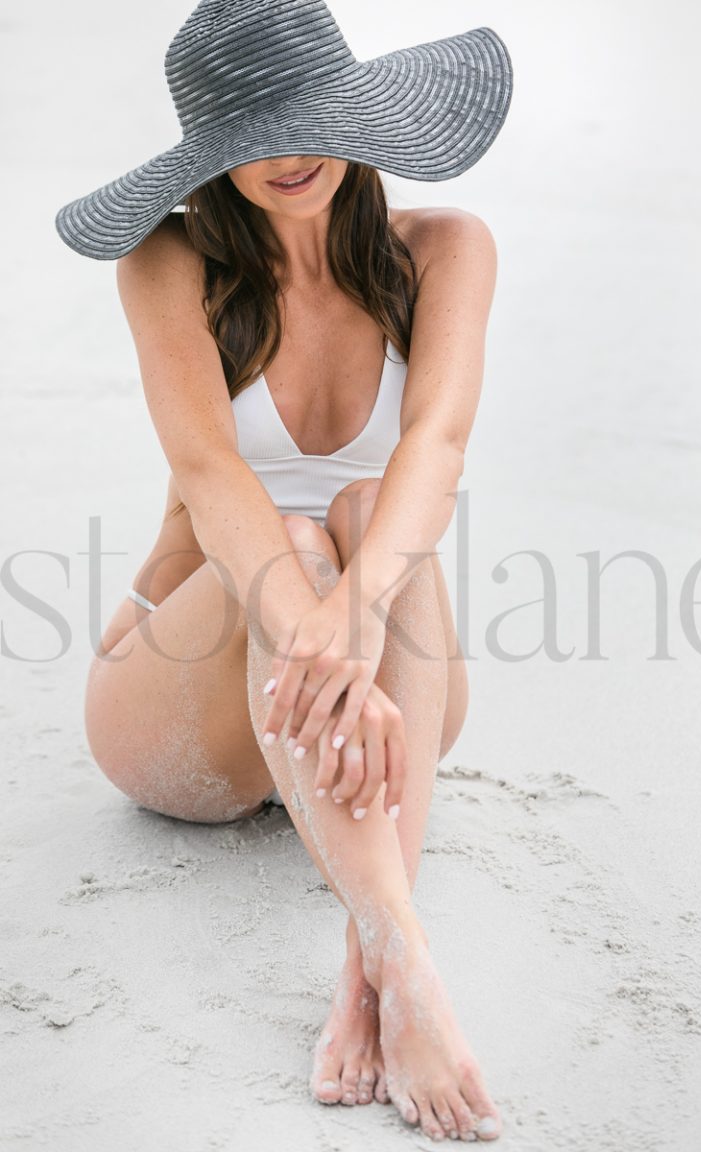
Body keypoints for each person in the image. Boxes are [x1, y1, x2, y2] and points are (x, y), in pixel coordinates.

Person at [56, 0, 512, 1142]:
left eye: (306, 118)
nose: (285, 152)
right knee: (299, 539)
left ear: (356, 114)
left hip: (379, 670)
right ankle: (403, 965)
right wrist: (320, 607)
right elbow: (212, 478)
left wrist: (353, 616)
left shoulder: (444, 250)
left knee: (372, 511)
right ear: (209, 155)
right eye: (247, 134)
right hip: (190, 700)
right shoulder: (171, 260)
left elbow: (438, 450)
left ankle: (368, 975)